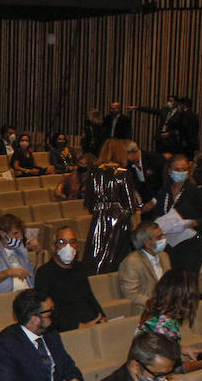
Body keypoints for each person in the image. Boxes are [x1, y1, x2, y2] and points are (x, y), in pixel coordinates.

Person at [0, 289, 86, 381]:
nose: (53, 314)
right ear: (35, 319)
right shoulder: (5, 344)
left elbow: (68, 364)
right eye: (50, 311)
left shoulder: (50, 333)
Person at [137, 269, 202, 372]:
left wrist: (184, 349)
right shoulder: (166, 324)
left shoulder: (152, 314)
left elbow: (158, 346)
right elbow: (169, 370)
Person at [82, 141, 141, 273]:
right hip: (120, 219)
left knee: (96, 251)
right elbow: (130, 205)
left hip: (99, 216)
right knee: (116, 255)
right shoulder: (123, 173)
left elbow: (89, 203)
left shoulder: (94, 172)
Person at [33, 227, 106, 330]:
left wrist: (102, 316)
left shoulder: (80, 268)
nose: (68, 247)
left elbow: (89, 297)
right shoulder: (44, 273)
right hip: (67, 329)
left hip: (90, 322)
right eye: (62, 242)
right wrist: (78, 326)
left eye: (72, 242)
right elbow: (47, 312)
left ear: (77, 247)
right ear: (54, 247)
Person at [117, 222, 170, 313]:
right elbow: (131, 294)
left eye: (163, 235)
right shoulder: (132, 262)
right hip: (145, 310)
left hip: (167, 307)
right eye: (159, 237)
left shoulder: (164, 256)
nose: (163, 239)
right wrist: (156, 303)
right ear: (147, 243)